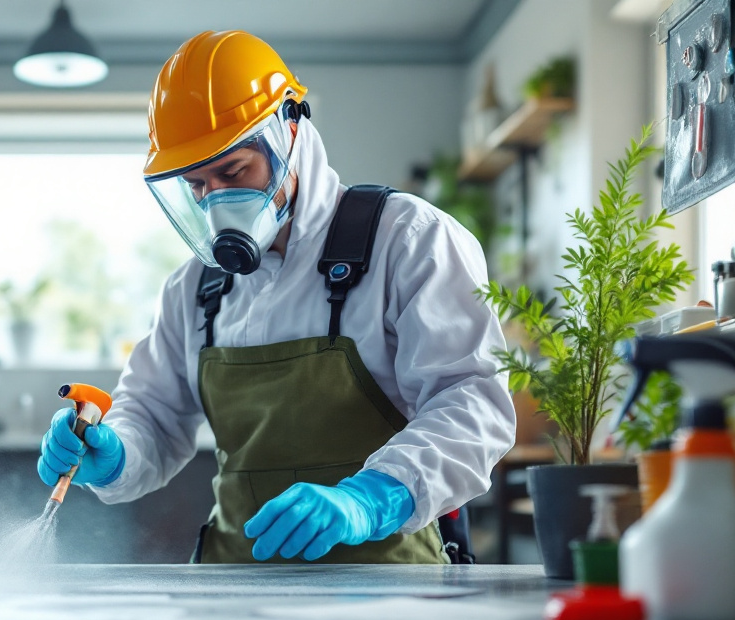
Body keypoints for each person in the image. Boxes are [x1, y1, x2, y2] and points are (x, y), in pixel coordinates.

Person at [36, 30, 516, 564]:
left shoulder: (408, 240)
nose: (217, 199)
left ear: (290, 128)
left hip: (387, 596)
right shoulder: (195, 288)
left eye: (234, 171)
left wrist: (372, 498)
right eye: (197, 185)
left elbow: (473, 404)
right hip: (232, 594)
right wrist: (117, 451)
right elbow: (151, 414)